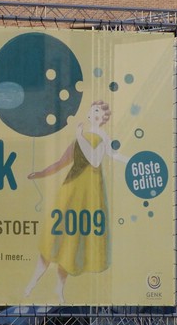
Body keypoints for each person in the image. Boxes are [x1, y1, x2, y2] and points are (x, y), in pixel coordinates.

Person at [24, 100, 128, 303]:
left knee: (71, 245)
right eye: (92, 110)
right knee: (54, 238)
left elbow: (98, 160)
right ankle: (32, 283)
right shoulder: (80, 138)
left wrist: (133, 161)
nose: (94, 113)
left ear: (104, 117)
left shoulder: (100, 137)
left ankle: (59, 290)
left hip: (89, 195)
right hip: (71, 190)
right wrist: (39, 174)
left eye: (98, 111)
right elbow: (60, 163)